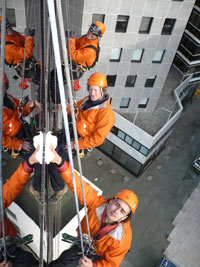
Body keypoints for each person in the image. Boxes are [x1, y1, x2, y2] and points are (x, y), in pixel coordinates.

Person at [47, 145, 138, 267]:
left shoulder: (122, 239)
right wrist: (60, 163)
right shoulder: (97, 204)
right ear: (111, 201)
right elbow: (79, 186)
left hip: (98, 256)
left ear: (123, 218)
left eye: (122, 211)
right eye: (117, 204)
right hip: (83, 244)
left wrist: (93, 266)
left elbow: (112, 263)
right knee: (60, 264)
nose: (116, 211)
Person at [1, 148, 40, 266]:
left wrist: (28, 165)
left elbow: (9, 190)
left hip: (9, 246)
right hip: (7, 247)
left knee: (28, 261)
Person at [68, 72, 116, 152]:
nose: (92, 93)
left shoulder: (107, 115)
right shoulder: (88, 99)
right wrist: (68, 108)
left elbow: (97, 139)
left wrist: (76, 145)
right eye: (90, 89)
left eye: (96, 90)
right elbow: (76, 111)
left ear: (103, 91)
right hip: (74, 128)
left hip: (81, 140)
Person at [2, 73, 36, 151]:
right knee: (33, 155)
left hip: (23, 129)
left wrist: (28, 107)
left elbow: (20, 112)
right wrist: (20, 144)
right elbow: (1, 140)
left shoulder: (9, 99)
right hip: (14, 140)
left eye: (3, 87)